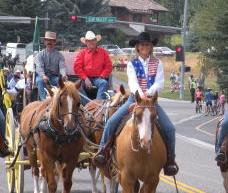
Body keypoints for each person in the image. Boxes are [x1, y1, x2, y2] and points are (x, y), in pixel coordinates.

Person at [93, 32, 179, 176]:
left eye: (147, 45)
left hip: (151, 102)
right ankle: (103, 151)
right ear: (137, 47)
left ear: (151, 47)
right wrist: (141, 94)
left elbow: (160, 82)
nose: (145, 47)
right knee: (111, 122)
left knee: (170, 129)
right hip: (135, 100)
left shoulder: (157, 63)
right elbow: (132, 82)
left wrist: (149, 93)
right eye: (142, 45)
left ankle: (170, 159)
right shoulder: (132, 64)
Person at [73, 31, 113, 105]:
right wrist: (85, 78)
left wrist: (101, 76)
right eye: (89, 41)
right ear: (86, 42)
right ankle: (89, 105)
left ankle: (97, 105)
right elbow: (77, 67)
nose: (91, 42)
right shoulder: (82, 53)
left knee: (104, 83)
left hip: (98, 78)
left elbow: (109, 66)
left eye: (92, 40)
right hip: (85, 79)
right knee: (75, 86)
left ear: (96, 41)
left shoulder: (103, 52)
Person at [34, 31, 67, 100]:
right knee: (40, 81)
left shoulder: (60, 55)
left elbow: (62, 67)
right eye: (47, 40)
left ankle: (59, 100)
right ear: (45, 41)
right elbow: (39, 66)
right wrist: (43, 75)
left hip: (54, 77)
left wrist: (63, 75)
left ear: (54, 42)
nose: (49, 42)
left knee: (61, 81)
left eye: (51, 40)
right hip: (42, 76)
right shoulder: (40, 55)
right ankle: (44, 100)